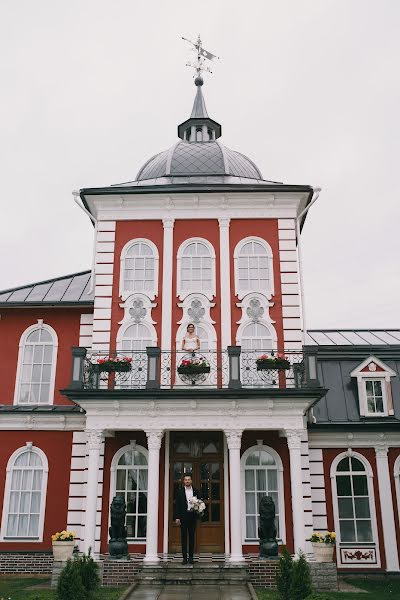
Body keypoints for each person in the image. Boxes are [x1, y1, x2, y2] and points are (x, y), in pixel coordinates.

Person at [174, 473, 201, 564]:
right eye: (186, 480)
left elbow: (199, 502)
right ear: (184, 481)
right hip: (183, 517)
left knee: (192, 538)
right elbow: (177, 505)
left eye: (189, 479)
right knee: (184, 538)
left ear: (191, 481)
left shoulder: (196, 491)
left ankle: (191, 558)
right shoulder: (180, 491)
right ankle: (184, 558)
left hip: (192, 516)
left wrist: (198, 512)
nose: (187, 481)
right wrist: (177, 517)